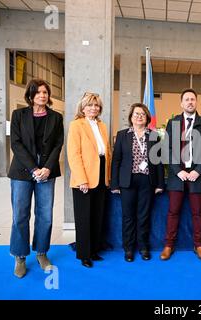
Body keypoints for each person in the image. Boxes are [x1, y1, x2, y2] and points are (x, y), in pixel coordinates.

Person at [8, 79, 64, 278]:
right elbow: (15, 143)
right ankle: (20, 256)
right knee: (20, 215)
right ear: (31, 95)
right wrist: (34, 168)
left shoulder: (56, 117)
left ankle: (42, 253)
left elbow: (58, 145)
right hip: (23, 170)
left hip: (47, 171)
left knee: (45, 215)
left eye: (45, 92)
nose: (43, 95)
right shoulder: (18, 115)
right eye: (38, 92)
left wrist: (47, 167)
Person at [160, 88, 201, 261]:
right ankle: (169, 245)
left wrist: (197, 171)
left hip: (197, 176)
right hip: (178, 176)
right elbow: (167, 149)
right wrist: (178, 170)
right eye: (187, 99)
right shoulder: (173, 122)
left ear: (196, 102)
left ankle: (199, 245)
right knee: (173, 212)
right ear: (181, 103)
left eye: (193, 99)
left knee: (197, 213)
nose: (190, 102)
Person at [111, 103, 165, 262]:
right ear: (131, 117)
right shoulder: (122, 135)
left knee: (144, 216)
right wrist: (114, 184)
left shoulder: (153, 136)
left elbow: (158, 162)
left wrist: (160, 184)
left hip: (147, 181)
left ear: (147, 117)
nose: (139, 116)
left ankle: (143, 247)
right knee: (128, 217)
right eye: (136, 114)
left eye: (142, 114)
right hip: (127, 181)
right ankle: (128, 248)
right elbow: (116, 161)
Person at [67, 92, 111, 268]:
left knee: (97, 215)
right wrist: (81, 179)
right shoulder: (76, 125)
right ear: (83, 107)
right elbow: (74, 154)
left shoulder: (102, 125)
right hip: (84, 176)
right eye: (90, 105)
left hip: (101, 173)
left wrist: (108, 177)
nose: (94, 108)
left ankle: (94, 250)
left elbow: (107, 152)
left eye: (97, 105)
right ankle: (84, 254)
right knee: (84, 217)